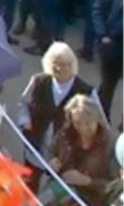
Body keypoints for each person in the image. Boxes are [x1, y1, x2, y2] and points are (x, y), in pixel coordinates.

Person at [17, 42, 97, 173]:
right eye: (55, 63)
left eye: (63, 64)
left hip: (65, 155)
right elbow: (23, 104)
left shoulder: (86, 92)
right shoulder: (38, 81)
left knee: (54, 192)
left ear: (72, 65)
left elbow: (99, 122)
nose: (58, 68)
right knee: (29, 183)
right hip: (36, 146)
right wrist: (25, 121)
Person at [42, 95, 113, 206]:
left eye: (88, 122)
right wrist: (51, 162)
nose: (83, 128)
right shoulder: (65, 134)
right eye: (77, 123)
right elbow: (50, 152)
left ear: (98, 119)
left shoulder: (110, 144)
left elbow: (115, 186)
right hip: (60, 190)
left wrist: (87, 181)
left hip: (90, 203)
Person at [92, 0, 122, 117]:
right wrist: (103, 35)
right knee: (107, 86)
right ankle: (102, 120)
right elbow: (97, 8)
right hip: (112, 43)